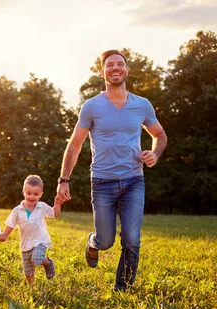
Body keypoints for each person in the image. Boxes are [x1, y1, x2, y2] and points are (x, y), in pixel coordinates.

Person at [56, 50, 167, 292]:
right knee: (105, 240)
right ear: (102, 72)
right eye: (109, 65)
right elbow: (74, 144)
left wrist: (155, 153)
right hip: (103, 182)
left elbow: (159, 134)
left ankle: (122, 288)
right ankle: (93, 242)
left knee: (131, 240)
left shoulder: (142, 105)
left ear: (127, 70)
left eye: (120, 64)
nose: (115, 68)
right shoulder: (92, 106)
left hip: (133, 180)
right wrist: (64, 179)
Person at [0, 175, 61, 284]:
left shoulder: (42, 207)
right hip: (25, 244)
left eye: (36, 194)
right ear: (24, 192)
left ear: (41, 194)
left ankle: (48, 263)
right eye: (29, 193)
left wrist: (57, 203)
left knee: (37, 258)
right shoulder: (17, 210)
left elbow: (54, 213)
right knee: (28, 270)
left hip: (40, 241)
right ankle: (31, 287)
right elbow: (11, 225)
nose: (32, 197)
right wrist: (4, 235)